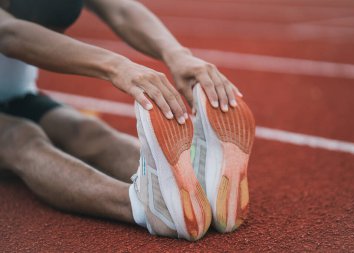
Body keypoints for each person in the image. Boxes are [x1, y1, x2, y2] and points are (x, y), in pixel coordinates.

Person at [0, 0, 254, 241]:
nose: (54, 37)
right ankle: (144, 208)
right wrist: (117, 67)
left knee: (86, 131)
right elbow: (10, 33)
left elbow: (121, 9)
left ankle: (197, 187)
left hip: (17, 94)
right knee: (21, 138)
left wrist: (176, 54)